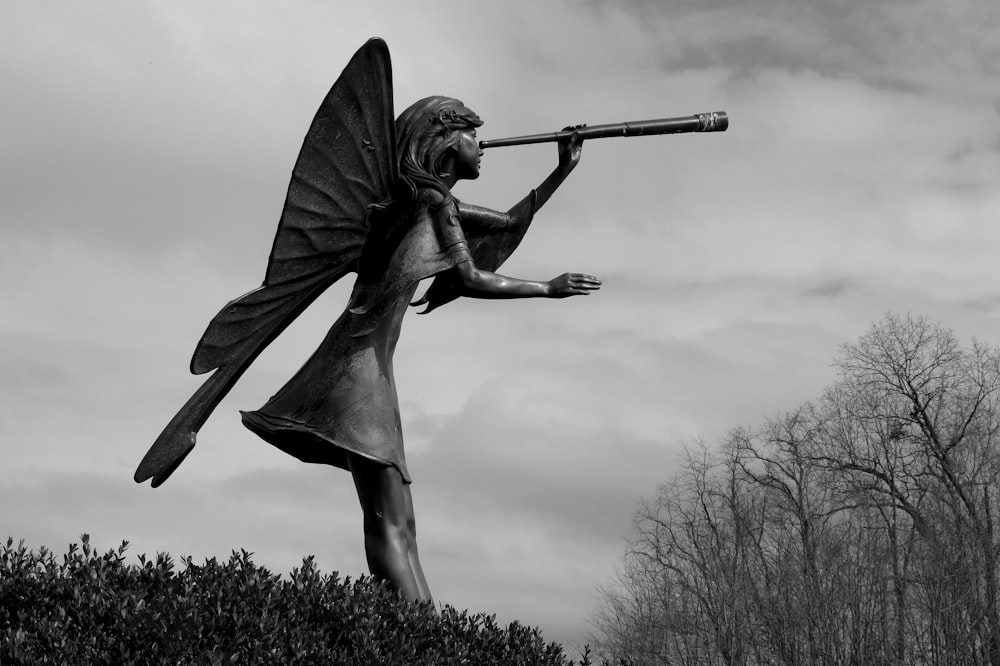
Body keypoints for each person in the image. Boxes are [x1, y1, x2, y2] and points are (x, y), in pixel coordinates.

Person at [241, 96, 601, 601]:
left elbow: (502, 223)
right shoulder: (431, 203)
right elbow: (470, 277)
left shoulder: (423, 202)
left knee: (401, 521)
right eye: (473, 135)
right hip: (358, 375)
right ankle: (417, 641)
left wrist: (560, 171)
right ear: (446, 140)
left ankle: (426, 637)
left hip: (367, 372)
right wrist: (547, 287)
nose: (482, 147)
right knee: (389, 521)